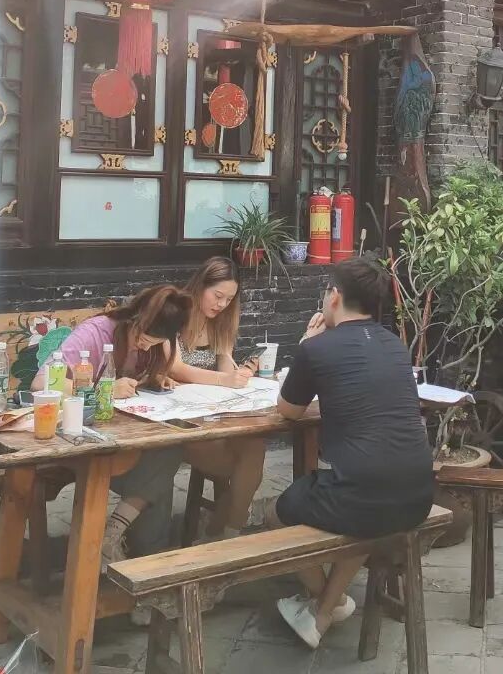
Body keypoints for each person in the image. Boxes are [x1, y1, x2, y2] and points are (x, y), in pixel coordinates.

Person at [270, 256, 434, 650]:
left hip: (363, 499)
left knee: (273, 514)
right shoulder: (395, 345)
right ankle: (325, 609)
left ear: (334, 296)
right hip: (418, 495)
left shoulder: (317, 348)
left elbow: (288, 410)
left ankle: (327, 602)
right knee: (360, 507)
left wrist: (306, 345)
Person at [32, 284, 191, 560]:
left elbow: (140, 376)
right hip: (78, 434)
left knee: (169, 450)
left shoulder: (154, 345)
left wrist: (155, 378)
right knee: (160, 470)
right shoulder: (95, 333)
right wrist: (102, 389)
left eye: (155, 343)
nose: (145, 346)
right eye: (143, 338)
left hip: (124, 434)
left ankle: (121, 544)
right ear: (134, 318)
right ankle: (141, 560)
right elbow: (40, 383)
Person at [170, 256, 267, 538]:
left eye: (229, 299)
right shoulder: (174, 313)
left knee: (255, 445)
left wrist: (238, 375)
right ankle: (227, 529)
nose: (222, 304)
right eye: (217, 295)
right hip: (179, 420)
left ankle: (228, 530)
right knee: (246, 471)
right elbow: (175, 368)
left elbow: (225, 367)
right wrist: (224, 380)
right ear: (201, 286)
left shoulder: (221, 322)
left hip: (213, 414)